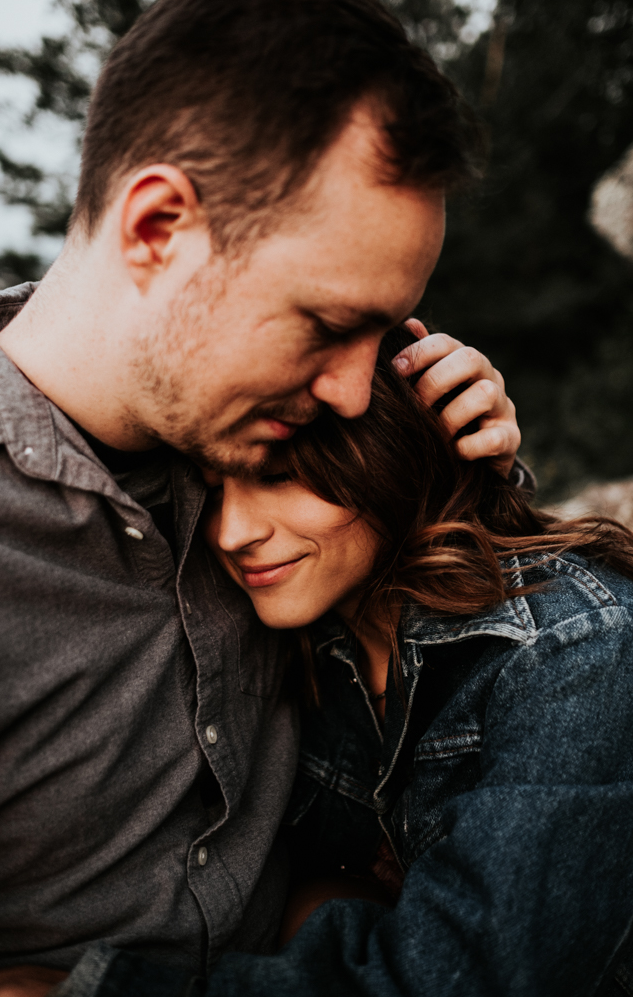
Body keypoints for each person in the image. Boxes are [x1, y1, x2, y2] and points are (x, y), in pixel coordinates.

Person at [0, 0, 527, 994]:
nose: (355, 389)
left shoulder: (266, 437)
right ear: (156, 226)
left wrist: (464, 469)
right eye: (325, 323)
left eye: (382, 334)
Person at [194, 325, 633, 996]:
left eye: (278, 478)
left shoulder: (573, 645)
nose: (232, 532)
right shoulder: (306, 634)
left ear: (389, 457)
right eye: (210, 491)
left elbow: (472, 978)